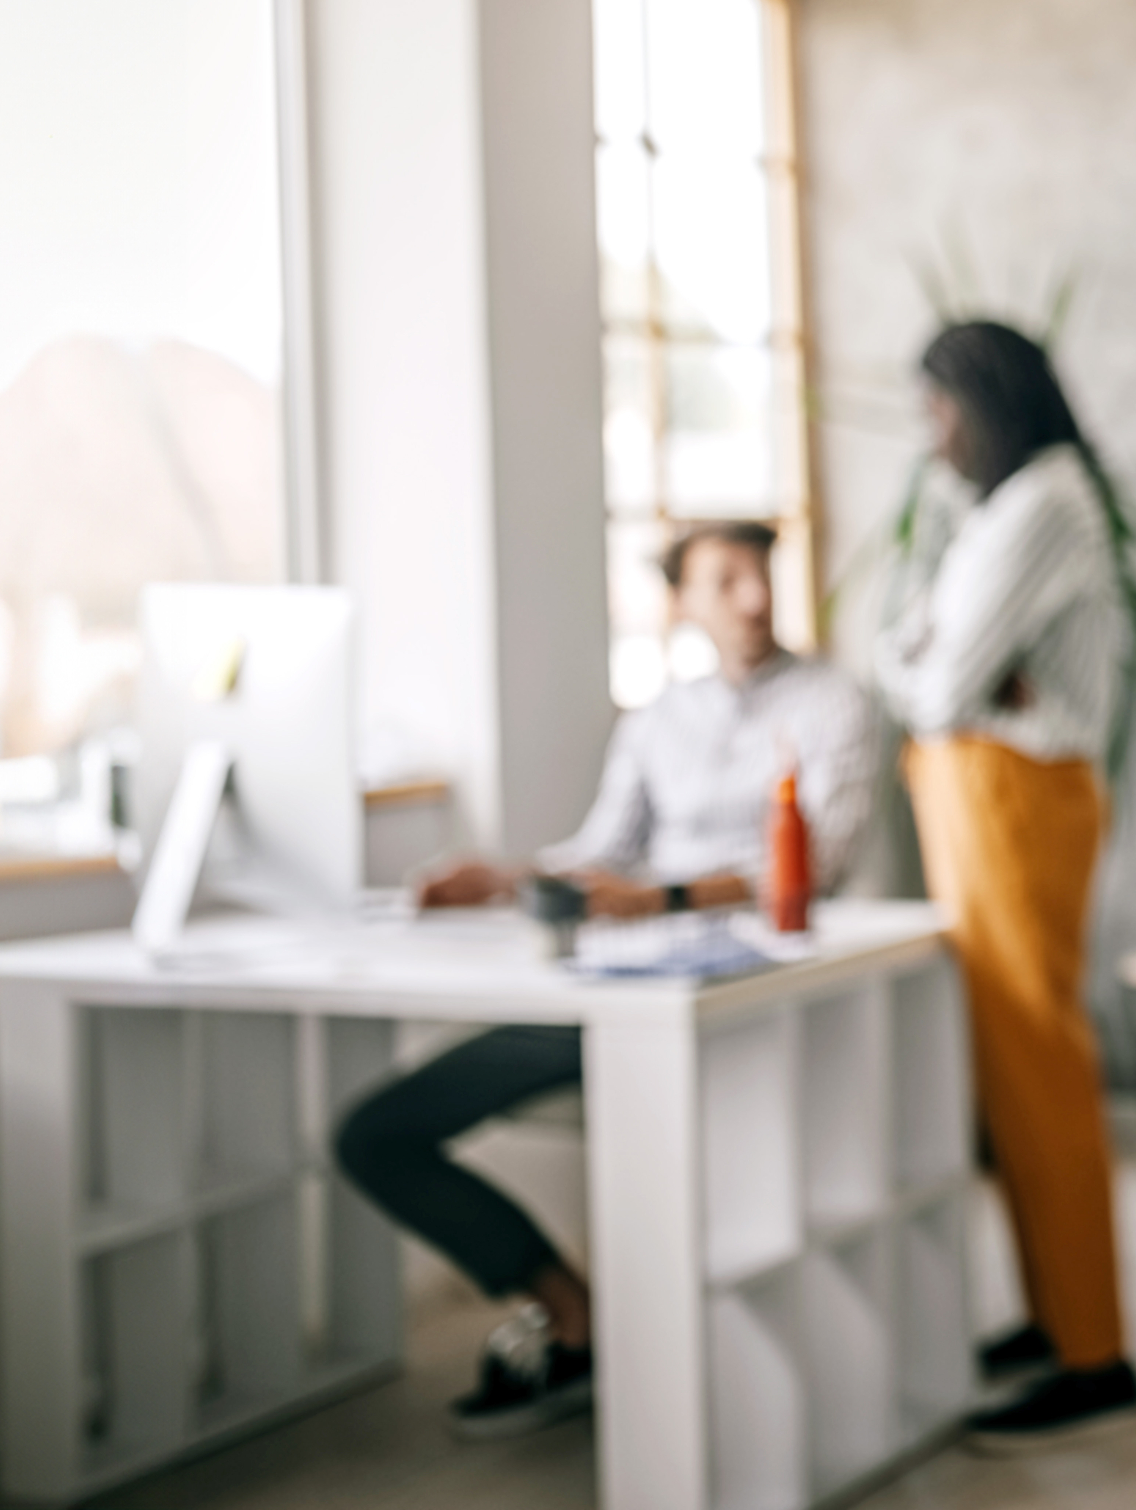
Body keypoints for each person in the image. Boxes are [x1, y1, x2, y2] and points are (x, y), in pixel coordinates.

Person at [334, 520, 883, 1439]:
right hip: (618, 989)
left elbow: (813, 868)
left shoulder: (834, 704)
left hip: (746, 996)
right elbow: (598, 856)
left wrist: (659, 895)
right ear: (684, 602)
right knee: (375, 1133)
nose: (753, 596)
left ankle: (687, 1382)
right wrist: (505, 879)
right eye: (725, 579)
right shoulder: (655, 721)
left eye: (761, 575)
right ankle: (573, 1314)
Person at [871, 319, 1136, 1444]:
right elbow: (923, 656)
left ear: (985, 402)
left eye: (941, 409)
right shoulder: (1001, 508)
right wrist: (934, 658)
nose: (932, 436)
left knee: (1038, 1065)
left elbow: (931, 686)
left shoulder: (1041, 502)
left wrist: (929, 661)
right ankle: (1054, 1318)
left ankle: (1094, 1353)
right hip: (985, 798)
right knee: (1009, 1069)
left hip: (1014, 803)